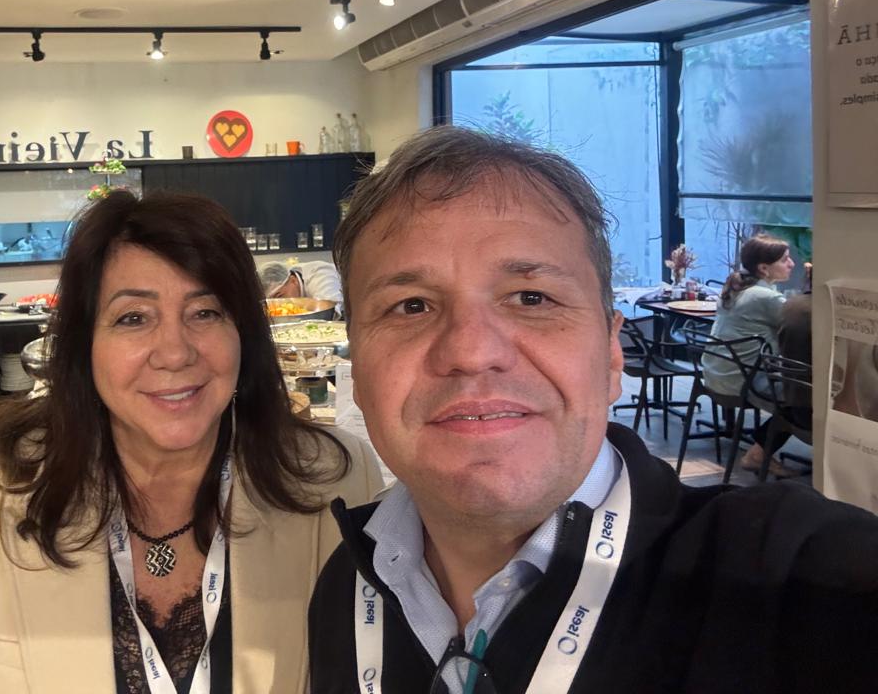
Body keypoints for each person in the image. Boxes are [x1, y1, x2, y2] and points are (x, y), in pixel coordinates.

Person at [308, 126, 878, 694]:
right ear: (358, 369)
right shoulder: (346, 588)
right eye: (411, 306)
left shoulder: (793, 584)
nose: (471, 351)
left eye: (532, 298)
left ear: (611, 354)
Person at [0, 191, 382, 694]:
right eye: (133, 318)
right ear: (84, 344)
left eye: (206, 312)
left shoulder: (333, 483)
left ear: (244, 335)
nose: (174, 353)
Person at [702, 234, 794, 476]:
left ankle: (760, 448)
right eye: (785, 259)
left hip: (717, 374)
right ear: (764, 268)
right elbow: (799, 326)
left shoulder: (739, 287)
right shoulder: (765, 297)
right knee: (801, 398)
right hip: (743, 381)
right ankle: (759, 453)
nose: (792, 264)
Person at [260, 259, 343, 307]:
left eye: (279, 296)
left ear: (293, 280)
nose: (278, 304)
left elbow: (329, 306)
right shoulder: (290, 275)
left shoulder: (319, 274)